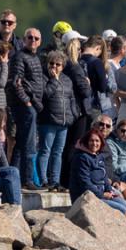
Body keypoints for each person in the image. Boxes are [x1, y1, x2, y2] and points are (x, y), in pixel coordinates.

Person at [31, 50, 79, 191]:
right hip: (48, 120)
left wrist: (73, 114)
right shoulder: (43, 78)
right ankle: (44, 181)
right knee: (45, 150)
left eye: (58, 64)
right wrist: (53, 80)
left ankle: (55, 181)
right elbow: (44, 95)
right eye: (51, 63)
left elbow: (71, 99)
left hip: (64, 122)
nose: (54, 67)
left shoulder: (67, 79)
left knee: (58, 152)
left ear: (63, 66)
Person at [71, 127, 126, 212]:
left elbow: (104, 177)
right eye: (91, 140)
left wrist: (110, 191)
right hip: (85, 197)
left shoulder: (98, 156)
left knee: (124, 203)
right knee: (121, 208)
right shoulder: (82, 157)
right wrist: (102, 195)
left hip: (99, 194)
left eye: (97, 141)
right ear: (87, 142)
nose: (94, 143)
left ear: (101, 143)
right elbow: (85, 183)